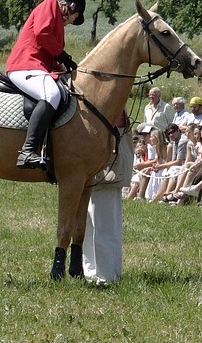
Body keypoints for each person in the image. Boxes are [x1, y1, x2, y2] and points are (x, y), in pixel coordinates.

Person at [6, 0, 85, 168]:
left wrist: (64, 68)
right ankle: (27, 151)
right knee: (52, 94)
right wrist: (63, 56)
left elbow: (50, 55)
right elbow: (42, 34)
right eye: (76, 17)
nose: (72, 22)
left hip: (38, 68)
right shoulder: (50, 4)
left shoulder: (58, 25)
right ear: (72, 7)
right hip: (25, 64)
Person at [82, 112, 132, 284]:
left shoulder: (116, 99)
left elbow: (116, 122)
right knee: (88, 224)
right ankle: (90, 271)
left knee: (105, 225)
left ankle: (107, 275)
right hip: (91, 171)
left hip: (108, 171)